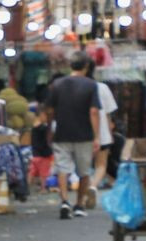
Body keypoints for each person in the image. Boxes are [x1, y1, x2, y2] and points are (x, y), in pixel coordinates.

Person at [47, 52, 102, 218]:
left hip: (62, 133)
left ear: (70, 66)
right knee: (84, 171)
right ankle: (79, 205)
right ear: (86, 67)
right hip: (84, 134)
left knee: (63, 169)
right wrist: (97, 136)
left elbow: (49, 110)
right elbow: (93, 112)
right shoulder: (91, 85)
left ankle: (64, 202)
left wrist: (50, 128)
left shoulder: (57, 84)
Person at [29, 106, 55, 193]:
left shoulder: (34, 127)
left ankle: (27, 186)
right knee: (44, 173)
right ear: (42, 115)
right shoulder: (43, 128)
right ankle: (43, 188)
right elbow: (47, 141)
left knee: (32, 171)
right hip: (44, 155)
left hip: (35, 153)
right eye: (47, 116)